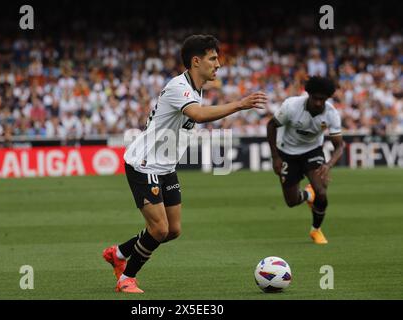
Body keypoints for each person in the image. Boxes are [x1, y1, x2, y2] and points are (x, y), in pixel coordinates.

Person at [102, 34, 267, 293]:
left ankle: (119, 253)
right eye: (213, 58)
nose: (218, 64)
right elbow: (198, 115)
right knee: (159, 229)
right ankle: (126, 279)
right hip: (144, 164)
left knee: (173, 230)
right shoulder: (179, 86)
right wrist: (239, 104)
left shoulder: (195, 88)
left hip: (165, 166)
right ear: (196, 61)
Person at [266, 76, 344, 245]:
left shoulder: (331, 114)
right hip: (286, 152)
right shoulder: (291, 106)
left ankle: (315, 230)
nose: (317, 102)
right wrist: (275, 157)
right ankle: (308, 195)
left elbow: (340, 146)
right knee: (292, 202)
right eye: (315, 98)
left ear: (327, 98)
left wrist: (328, 165)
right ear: (308, 94)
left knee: (322, 193)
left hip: (312, 151)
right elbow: (271, 126)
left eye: (322, 99)